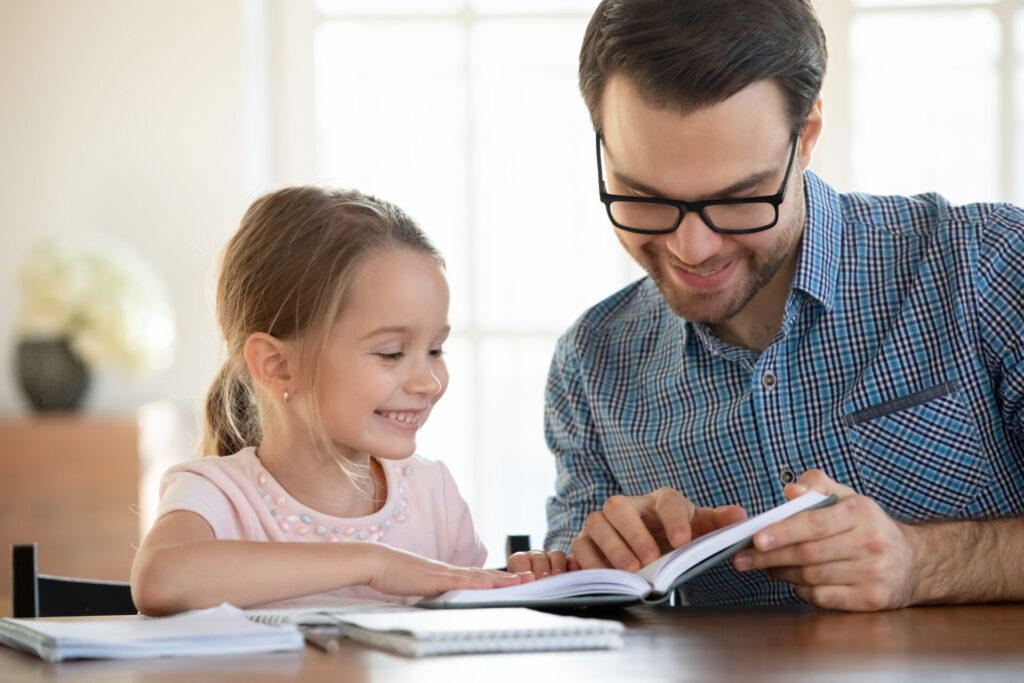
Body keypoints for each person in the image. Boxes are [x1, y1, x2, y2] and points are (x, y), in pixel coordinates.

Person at [525, 0, 1024, 611]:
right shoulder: (590, 367)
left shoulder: (987, 266)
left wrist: (922, 563)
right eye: (643, 196)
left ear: (806, 136)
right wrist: (607, 565)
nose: (692, 249)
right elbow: (572, 610)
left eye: (738, 199)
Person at [131, 186, 529, 616]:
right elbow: (160, 581)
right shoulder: (219, 496)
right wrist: (372, 563)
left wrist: (526, 583)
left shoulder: (435, 498)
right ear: (278, 366)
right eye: (391, 353)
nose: (429, 382)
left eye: (435, 350)